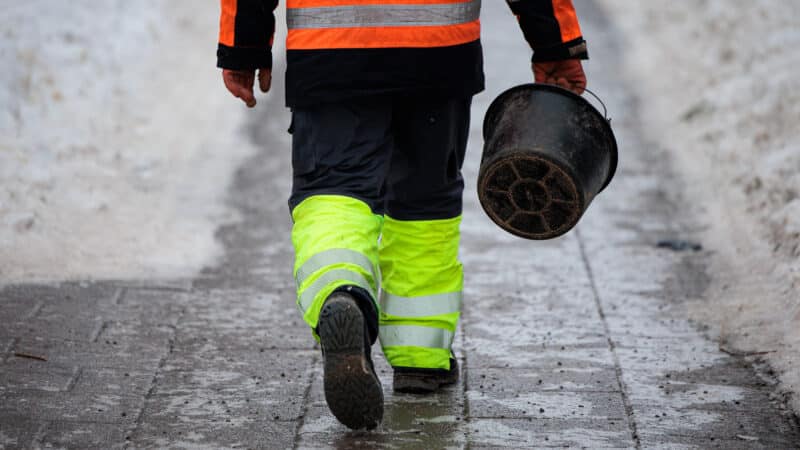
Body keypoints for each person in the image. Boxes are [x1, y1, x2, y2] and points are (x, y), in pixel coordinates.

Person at [217, 0, 588, 430]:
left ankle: (342, 292)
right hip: (439, 53)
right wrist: (556, 45)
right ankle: (421, 355)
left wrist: (243, 48)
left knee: (333, 190)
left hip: (330, 51)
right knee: (425, 200)